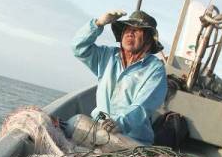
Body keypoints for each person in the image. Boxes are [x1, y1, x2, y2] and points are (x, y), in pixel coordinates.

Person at [71, 9, 167, 144]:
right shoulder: (107, 55)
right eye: (127, 29)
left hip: (131, 139)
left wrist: (120, 123)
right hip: (99, 128)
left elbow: (143, 106)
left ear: (148, 41)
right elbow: (78, 47)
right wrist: (98, 24)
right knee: (71, 124)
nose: (130, 32)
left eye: (137, 30)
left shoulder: (155, 69)